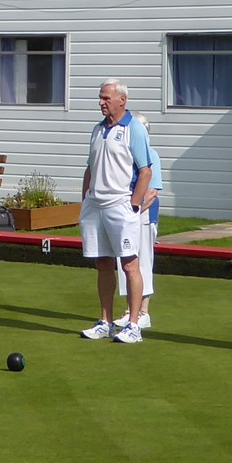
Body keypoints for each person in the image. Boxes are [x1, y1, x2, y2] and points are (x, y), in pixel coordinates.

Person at [79, 79, 153, 344]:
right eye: (100, 98)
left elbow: (145, 170)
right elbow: (90, 167)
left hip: (120, 206)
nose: (101, 102)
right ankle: (105, 321)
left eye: (106, 98)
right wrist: (85, 198)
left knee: (130, 264)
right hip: (95, 207)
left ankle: (133, 324)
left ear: (122, 100)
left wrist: (133, 203)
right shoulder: (97, 130)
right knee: (102, 263)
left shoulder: (134, 128)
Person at [116, 140, 162, 330]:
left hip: (144, 215)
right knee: (126, 263)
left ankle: (144, 313)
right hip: (126, 216)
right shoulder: (124, 155)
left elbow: (152, 193)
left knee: (142, 262)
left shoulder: (151, 154)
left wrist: (135, 211)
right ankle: (130, 310)